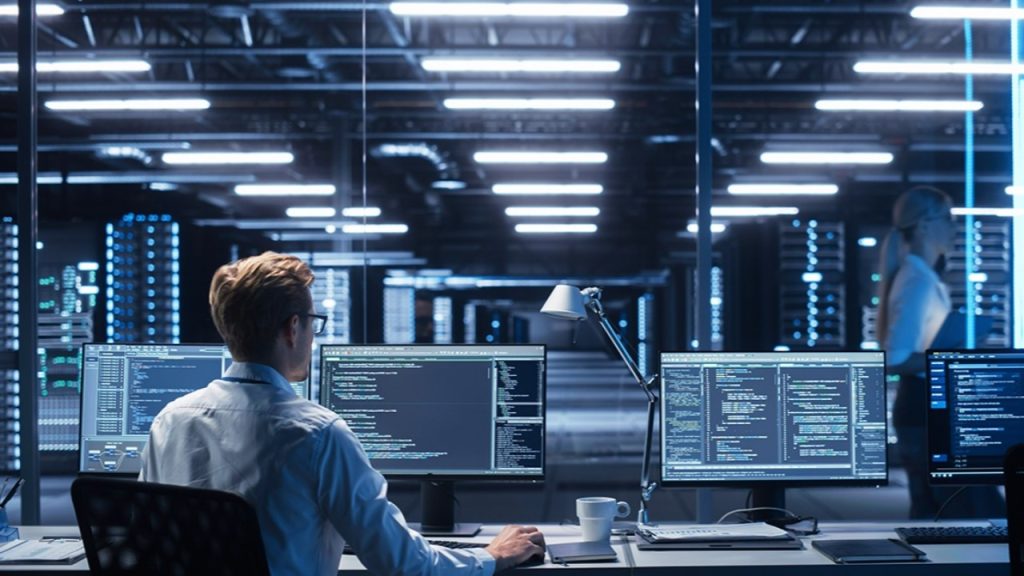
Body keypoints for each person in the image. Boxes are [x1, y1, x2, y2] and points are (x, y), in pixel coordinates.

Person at [139, 251, 545, 576]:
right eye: (313, 322)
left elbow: (146, 538)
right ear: (293, 328)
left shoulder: (169, 421)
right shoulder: (316, 433)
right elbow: (403, 563)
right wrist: (492, 556)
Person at [877, 186, 1002, 519]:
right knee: (968, 514)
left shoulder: (922, 277)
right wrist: (953, 358)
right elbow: (895, 359)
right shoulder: (916, 282)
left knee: (934, 514)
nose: (955, 227)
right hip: (923, 411)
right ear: (923, 225)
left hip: (922, 410)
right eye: (947, 218)